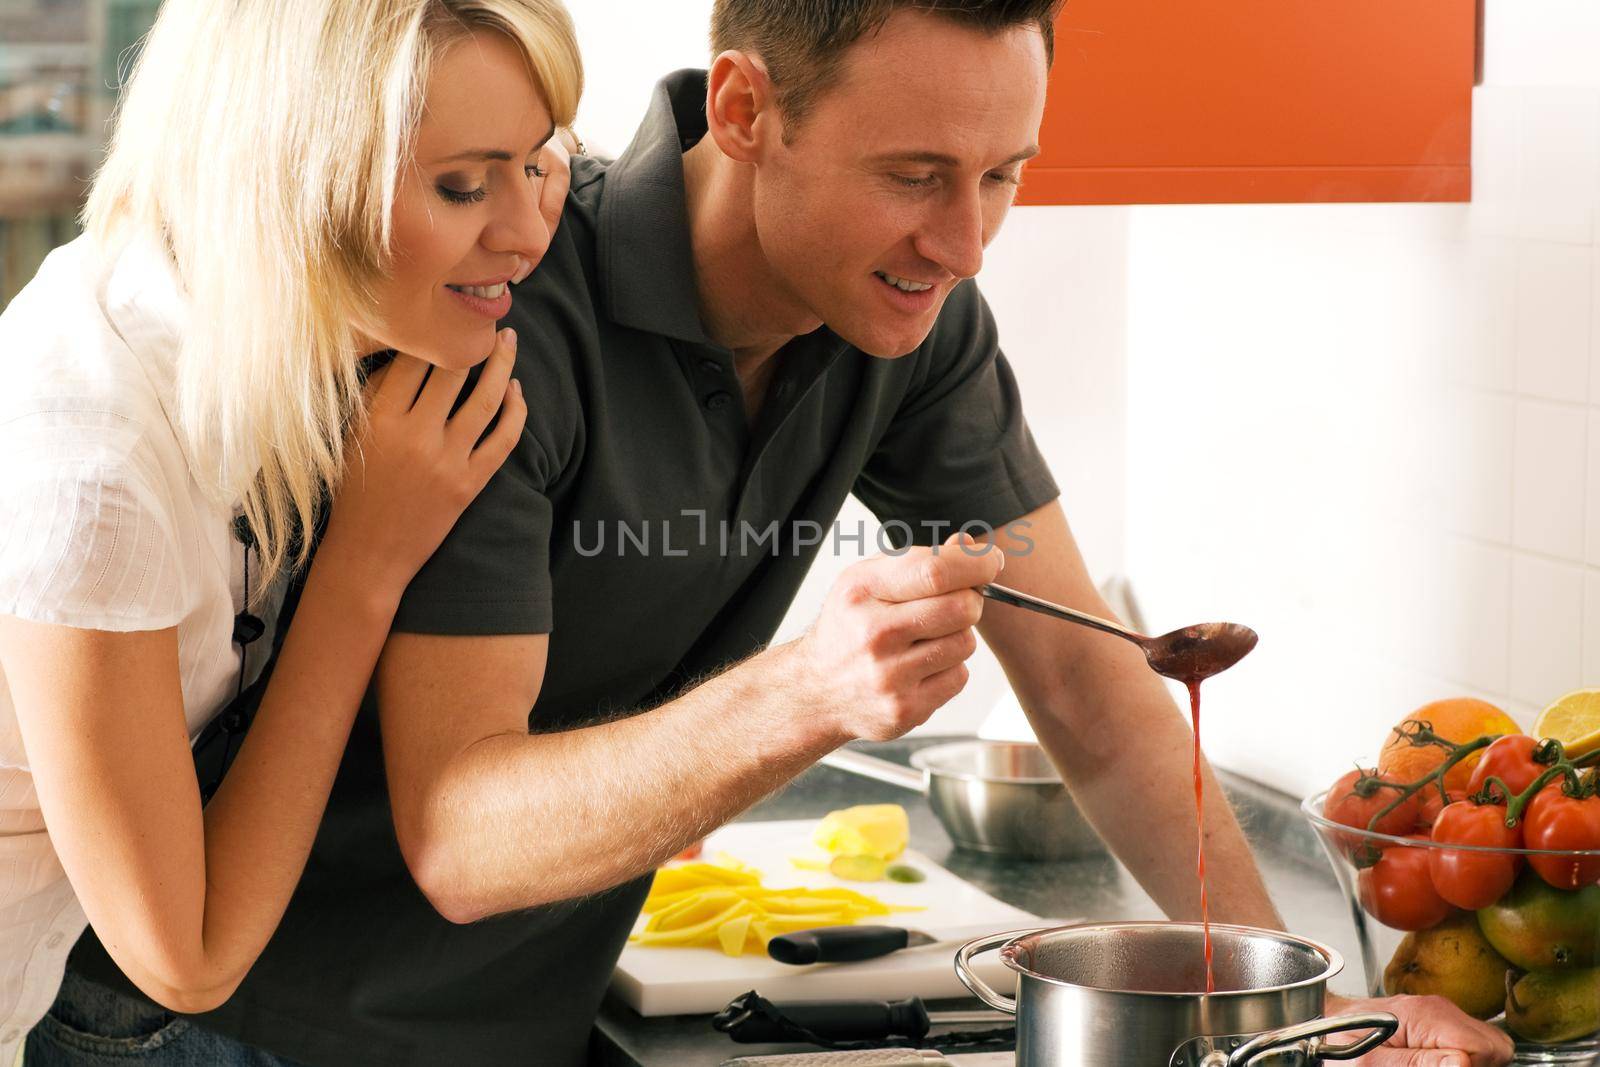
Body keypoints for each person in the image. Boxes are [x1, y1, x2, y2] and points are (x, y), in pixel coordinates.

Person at [57, 2, 1515, 1066]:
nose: (969, 238)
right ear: (747, 111)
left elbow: (1094, 685)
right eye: (916, 173)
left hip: (512, 1021)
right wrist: (808, 689)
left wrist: (1323, 1011)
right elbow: (458, 832)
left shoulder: (911, 325)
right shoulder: (504, 322)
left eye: (1006, 173)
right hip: (248, 1028)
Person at [0, 0, 580, 1061]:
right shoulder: (93, 469)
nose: (529, 230)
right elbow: (188, 951)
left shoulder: (283, 314)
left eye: (543, 161)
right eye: (464, 185)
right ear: (287, 178)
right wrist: (366, 564)